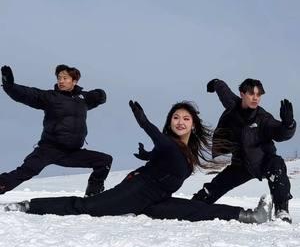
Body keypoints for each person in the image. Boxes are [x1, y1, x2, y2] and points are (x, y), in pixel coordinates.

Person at [4, 100, 269, 224]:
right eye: (175, 117)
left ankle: (248, 215)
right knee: (87, 207)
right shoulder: (168, 142)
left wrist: (148, 156)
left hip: (155, 199)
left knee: (194, 210)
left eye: (185, 118)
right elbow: (161, 143)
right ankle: (28, 206)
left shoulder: (185, 151)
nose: (180, 121)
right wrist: (144, 123)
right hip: (136, 189)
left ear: (193, 125)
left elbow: (164, 158)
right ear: (170, 122)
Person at [191, 78, 296, 223]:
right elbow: (224, 91)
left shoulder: (263, 118)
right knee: (217, 185)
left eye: (259, 95)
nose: (255, 98)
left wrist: (288, 125)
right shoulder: (232, 106)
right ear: (242, 94)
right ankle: (194, 204)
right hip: (240, 165)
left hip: (263, 161)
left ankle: (282, 210)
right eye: (251, 94)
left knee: (277, 166)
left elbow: (279, 133)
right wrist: (215, 83)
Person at [0, 64, 112, 197]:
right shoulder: (50, 97)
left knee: (104, 161)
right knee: (25, 171)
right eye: (59, 78)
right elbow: (27, 94)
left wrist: (100, 94)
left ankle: (93, 195)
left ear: (74, 81)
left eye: (65, 78)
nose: (61, 81)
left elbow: (100, 98)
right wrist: (9, 85)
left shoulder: (82, 99)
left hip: (72, 152)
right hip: (49, 149)